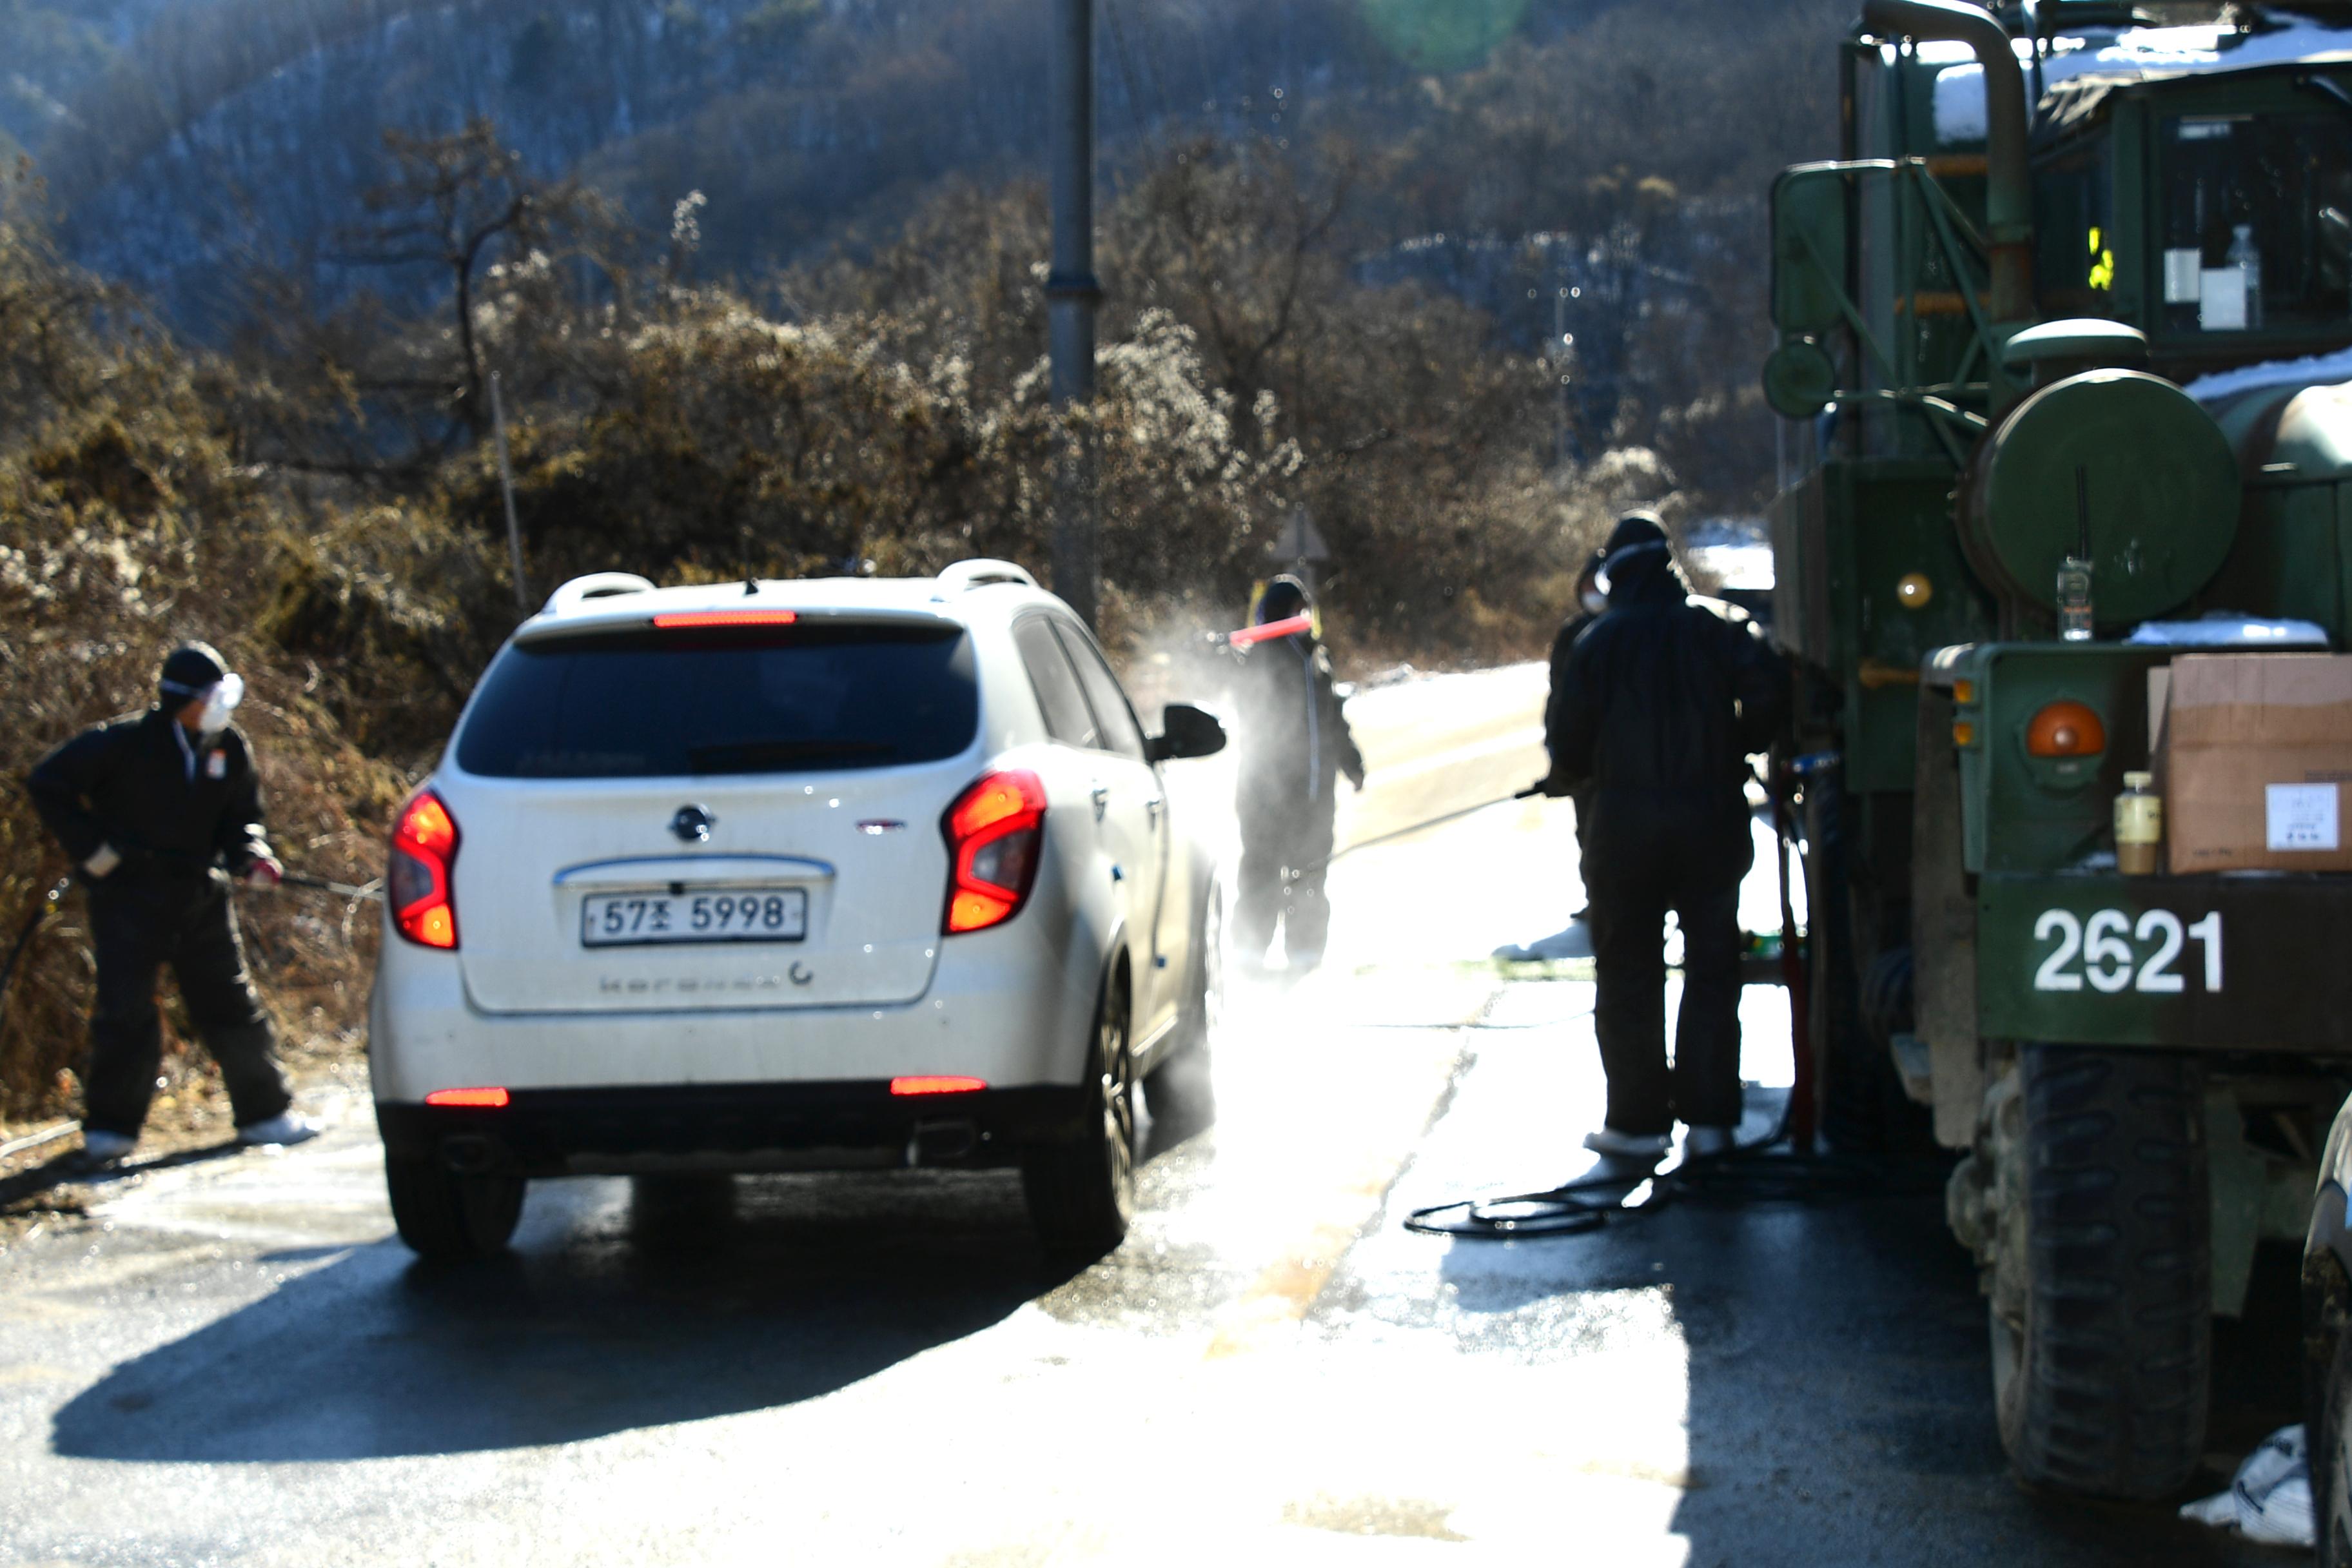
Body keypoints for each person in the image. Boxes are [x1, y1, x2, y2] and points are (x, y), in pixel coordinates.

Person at [1546, 513, 1786, 1162]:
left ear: (1614, 572)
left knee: (1628, 971)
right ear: (1669, 563)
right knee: (1712, 969)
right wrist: (1741, 743)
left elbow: (1568, 742)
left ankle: (1637, 1121)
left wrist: (1568, 773)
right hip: (1711, 821)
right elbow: (1770, 696)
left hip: (1623, 830)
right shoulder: (1717, 628)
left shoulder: (1597, 643)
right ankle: (1711, 1122)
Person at [26, 642, 318, 1166]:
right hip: (128, 898)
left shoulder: (228, 747)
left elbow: (242, 819)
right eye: (210, 696)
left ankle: (264, 1114)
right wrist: (93, 852)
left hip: (202, 895)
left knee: (230, 1005)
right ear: (181, 699)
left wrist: (252, 855)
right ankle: (111, 1130)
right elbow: (48, 782)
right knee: (126, 1011)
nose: (219, 706)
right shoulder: (123, 744)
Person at [1224, 576, 1364, 973]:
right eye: (1294, 611)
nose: (1302, 618)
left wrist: (1351, 763)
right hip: (1265, 793)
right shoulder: (1259, 659)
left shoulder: (1316, 659)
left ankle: (1304, 953)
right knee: (1261, 873)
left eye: (1305, 611)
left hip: (1315, 793)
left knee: (1311, 874)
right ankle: (1249, 954)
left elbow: (1333, 720)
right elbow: (1244, 700)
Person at [1542, 548, 1612, 921]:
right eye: (1585, 586)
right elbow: (1560, 699)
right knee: (1588, 832)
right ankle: (1597, 898)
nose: (1592, 592)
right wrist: (1559, 752)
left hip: (1621, 762)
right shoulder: (1573, 635)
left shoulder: (1624, 629)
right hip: (1584, 761)